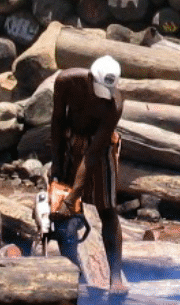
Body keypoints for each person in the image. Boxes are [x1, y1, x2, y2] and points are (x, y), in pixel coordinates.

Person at [50, 55, 126, 295]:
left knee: (108, 209)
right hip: (72, 139)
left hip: (99, 148)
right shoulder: (66, 82)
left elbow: (93, 154)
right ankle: (72, 273)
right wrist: (57, 167)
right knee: (63, 213)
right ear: (91, 77)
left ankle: (115, 277)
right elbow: (57, 121)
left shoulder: (115, 104)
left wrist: (75, 195)